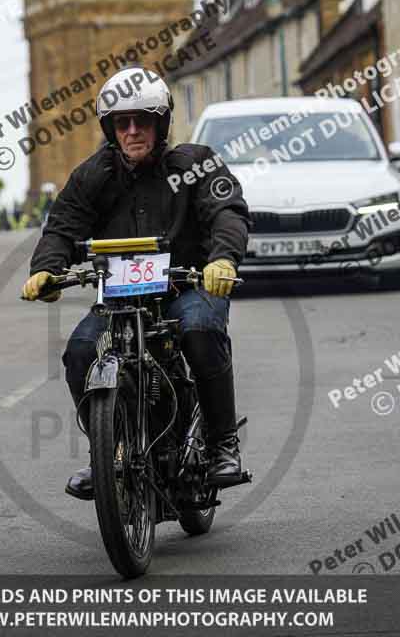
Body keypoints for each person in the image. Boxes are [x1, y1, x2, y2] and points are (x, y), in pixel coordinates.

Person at [22, 67, 250, 500]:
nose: (132, 131)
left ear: (160, 124)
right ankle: (106, 456)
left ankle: (223, 444)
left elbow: (227, 211)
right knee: (80, 353)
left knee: (200, 331)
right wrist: (46, 269)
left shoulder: (195, 164)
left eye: (141, 120)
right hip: (120, 297)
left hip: (186, 289)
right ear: (110, 128)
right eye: (121, 123)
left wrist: (221, 259)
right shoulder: (92, 176)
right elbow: (63, 227)